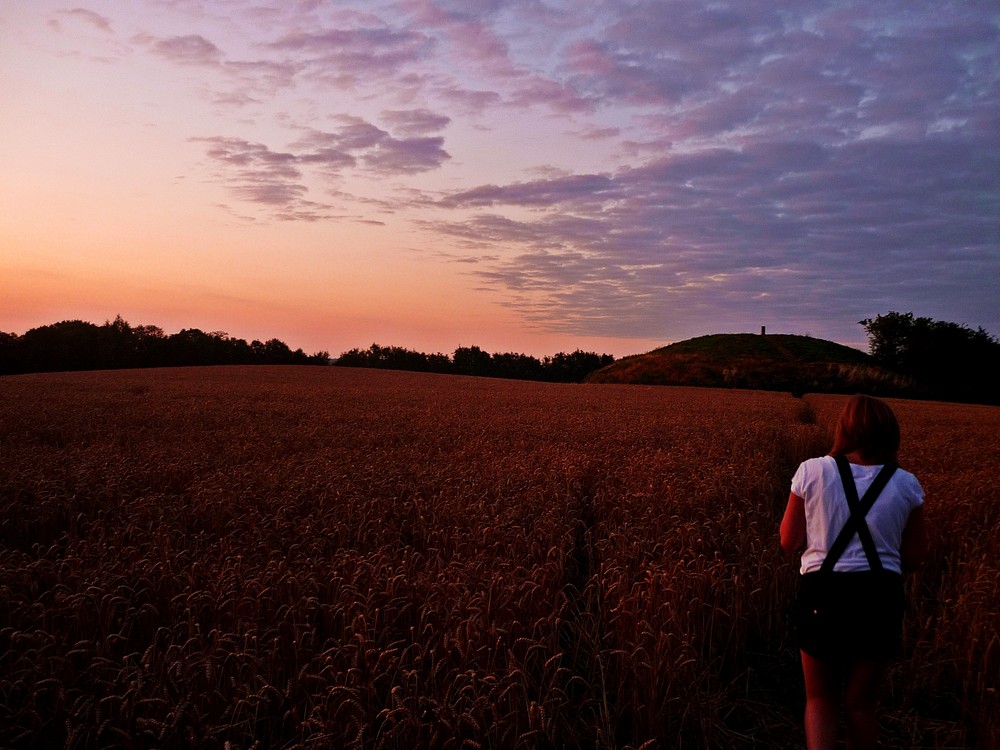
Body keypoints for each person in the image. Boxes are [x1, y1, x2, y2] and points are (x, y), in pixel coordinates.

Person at [780, 395, 927, 750]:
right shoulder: (907, 484)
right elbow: (914, 558)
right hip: (880, 598)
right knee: (862, 705)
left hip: (823, 594)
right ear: (890, 432)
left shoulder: (811, 471)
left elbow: (789, 541)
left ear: (844, 428)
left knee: (821, 701)